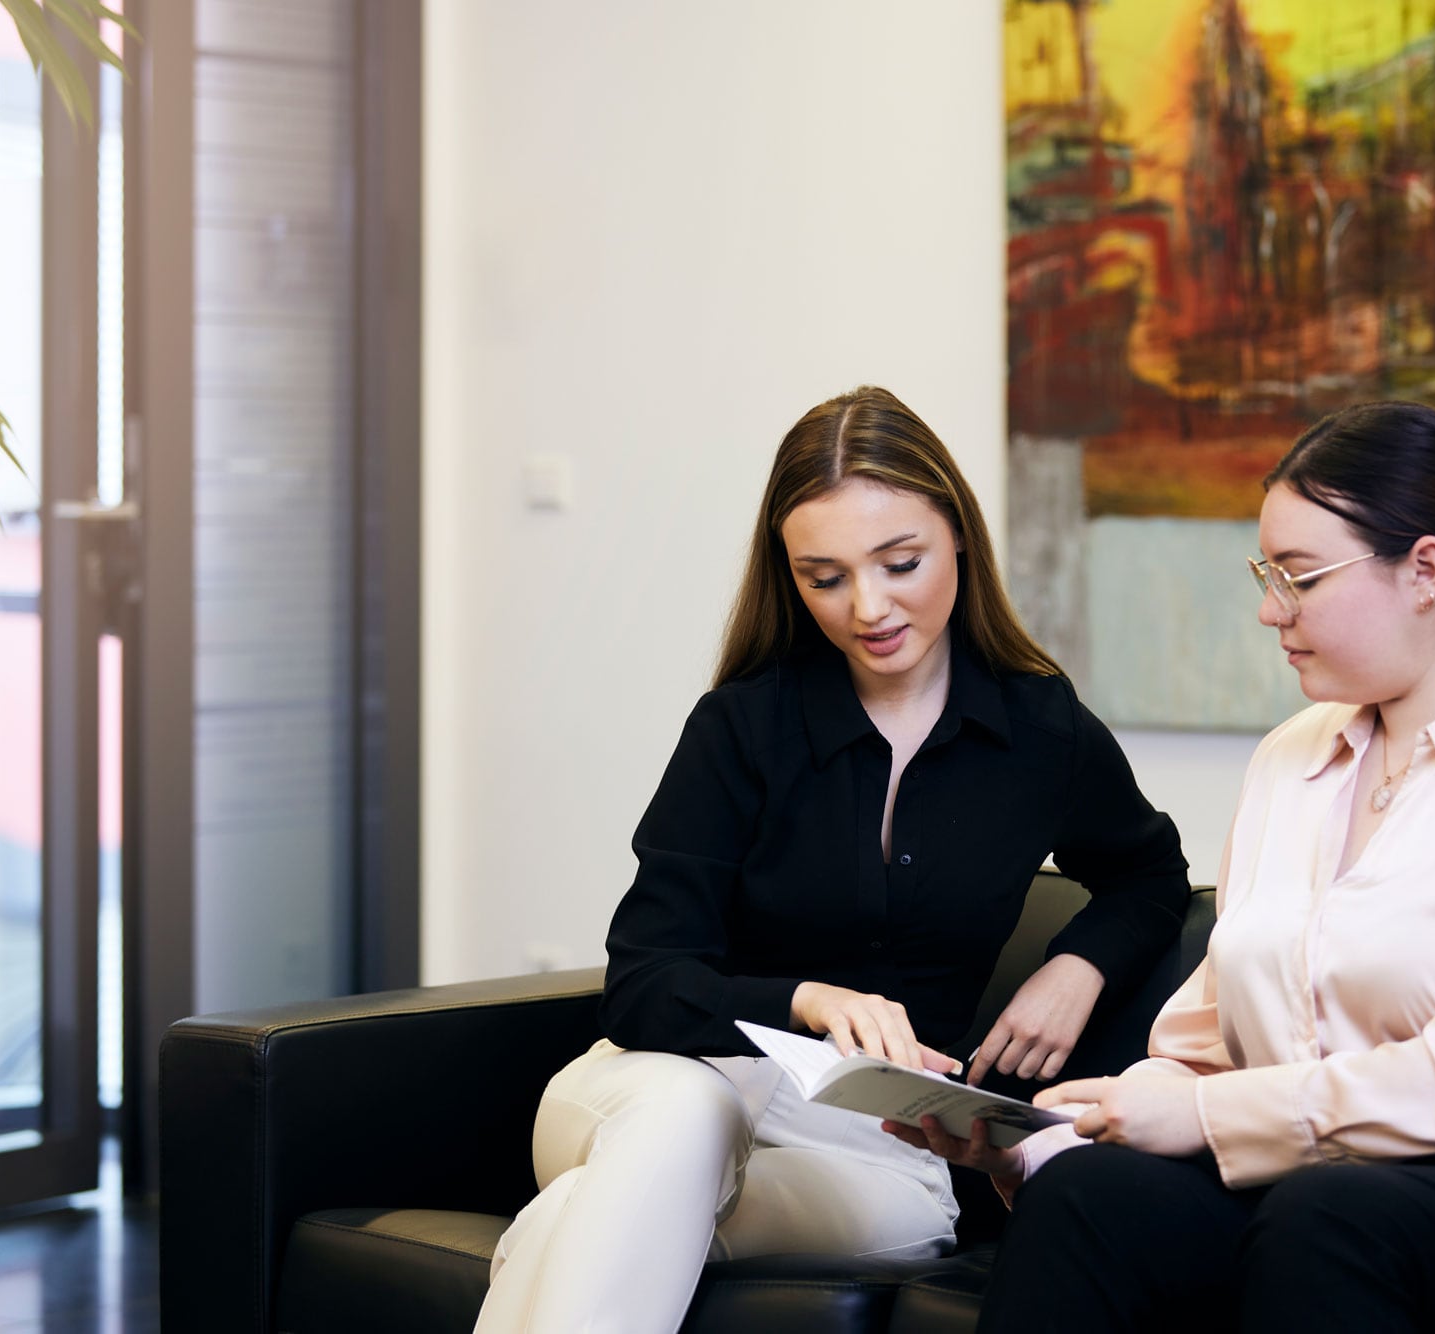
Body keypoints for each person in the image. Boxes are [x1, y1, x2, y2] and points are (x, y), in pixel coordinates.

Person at [891, 401, 1435, 1332]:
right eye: (1266, 573)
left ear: (1427, 572)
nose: (1269, 609)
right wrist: (1058, 1131)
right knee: (1088, 1195)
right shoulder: (1294, 758)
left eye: (1300, 577)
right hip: (1315, 1181)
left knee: (1326, 1220)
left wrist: (1210, 1120)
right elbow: (1202, 1047)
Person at [472, 385, 1190, 1333]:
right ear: (789, 576)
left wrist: (1078, 964)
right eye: (825, 578)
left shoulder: (1039, 728)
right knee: (681, 1134)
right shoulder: (742, 726)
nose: (869, 607)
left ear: (961, 536)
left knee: (606, 1218)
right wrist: (808, 1001)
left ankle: (581, 1225)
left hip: (871, 1149)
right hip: (668, 1087)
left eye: (901, 563)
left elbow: (1150, 872)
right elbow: (643, 986)